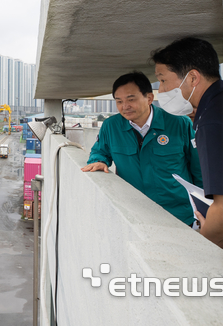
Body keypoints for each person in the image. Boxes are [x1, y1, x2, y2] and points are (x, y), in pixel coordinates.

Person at [82, 71, 203, 226]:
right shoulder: (111, 126)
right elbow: (100, 151)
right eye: (119, 101)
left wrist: (205, 208)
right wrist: (99, 160)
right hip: (134, 215)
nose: (125, 106)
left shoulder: (179, 123)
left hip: (178, 215)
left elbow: (199, 168)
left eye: (131, 99)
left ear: (149, 98)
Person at [152, 37, 223, 249]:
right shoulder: (222, 103)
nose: (162, 91)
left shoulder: (210, 122)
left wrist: (201, 245)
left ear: (193, 77)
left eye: (163, 80)